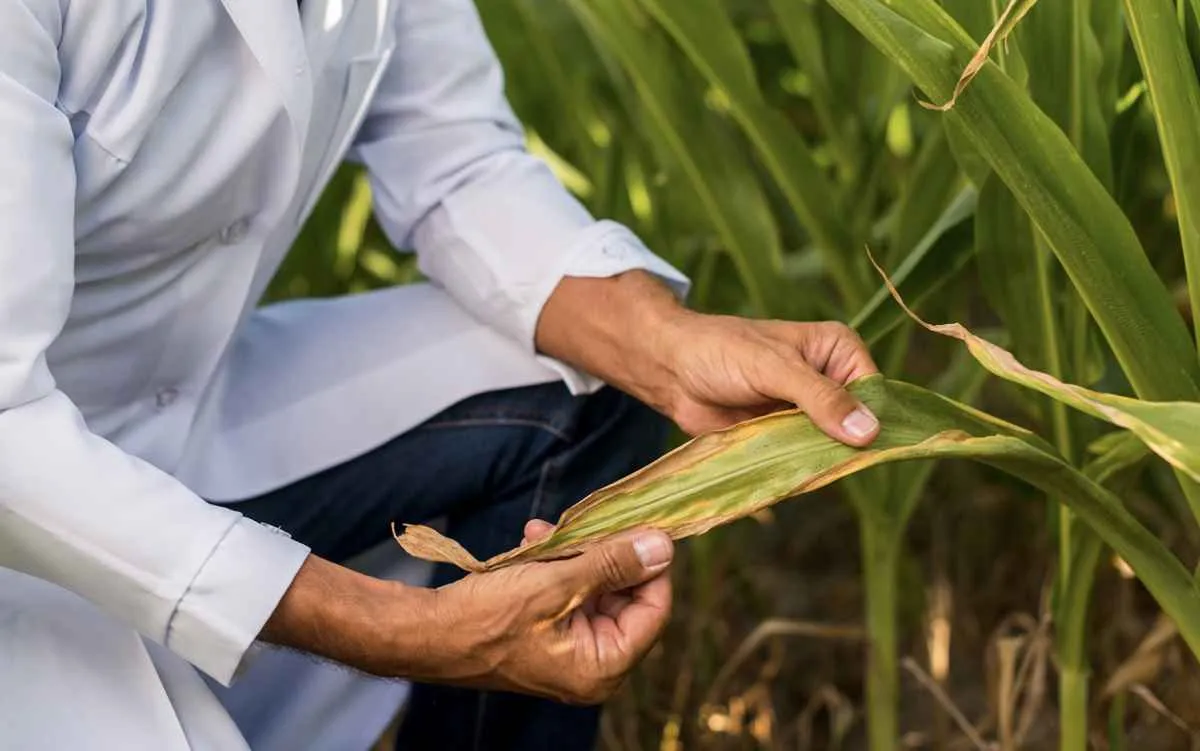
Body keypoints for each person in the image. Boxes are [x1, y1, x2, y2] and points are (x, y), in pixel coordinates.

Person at [0, 0, 881, 748]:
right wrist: (407, 631)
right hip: (20, 515)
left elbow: (452, 159)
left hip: (184, 417)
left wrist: (668, 344)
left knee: (586, 385)